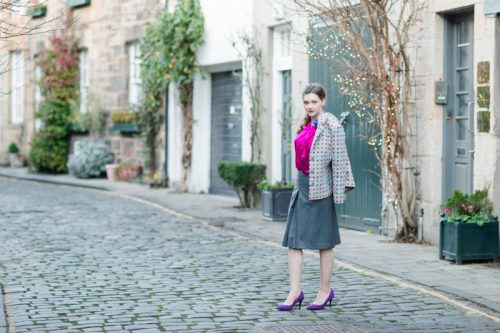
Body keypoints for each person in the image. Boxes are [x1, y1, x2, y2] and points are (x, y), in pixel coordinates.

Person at [277, 83, 355, 311]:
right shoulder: (307, 124)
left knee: (324, 242)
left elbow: (340, 160)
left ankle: (324, 291)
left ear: (323, 101)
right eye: (306, 102)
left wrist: (338, 194)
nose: (310, 106)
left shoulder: (332, 125)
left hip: (321, 189)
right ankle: (295, 292)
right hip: (301, 186)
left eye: (314, 102)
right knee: (293, 241)